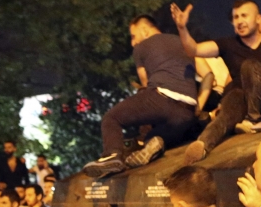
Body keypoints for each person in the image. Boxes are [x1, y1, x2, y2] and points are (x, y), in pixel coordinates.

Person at [170, 0, 261, 163]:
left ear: (258, 18)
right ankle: (202, 145)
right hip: (242, 101)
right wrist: (182, 28)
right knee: (229, 107)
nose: (239, 21)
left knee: (250, 65)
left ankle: (253, 120)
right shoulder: (228, 44)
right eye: (236, 17)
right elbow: (194, 49)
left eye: (244, 16)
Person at [84, 15, 198, 177]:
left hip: (162, 98)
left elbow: (145, 83)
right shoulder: (182, 41)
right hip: (188, 111)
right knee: (153, 138)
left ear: (145, 30)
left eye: (133, 36)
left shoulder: (142, 47)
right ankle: (153, 144)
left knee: (111, 118)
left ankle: (111, 156)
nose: (133, 42)